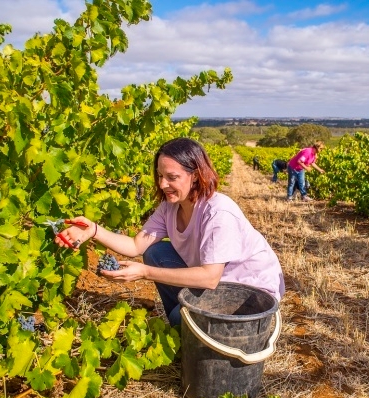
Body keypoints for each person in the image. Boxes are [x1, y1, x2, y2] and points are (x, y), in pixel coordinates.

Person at [55, 137, 285, 326]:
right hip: (217, 284)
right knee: (156, 253)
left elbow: (209, 277)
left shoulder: (218, 213)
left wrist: (145, 272)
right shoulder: (169, 207)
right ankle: (185, 319)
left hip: (248, 293)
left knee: (179, 317)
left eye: (172, 177)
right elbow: (135, 246)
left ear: (195, 176)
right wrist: (92, 229)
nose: (163, 184)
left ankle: (185, 321)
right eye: (160, 175)